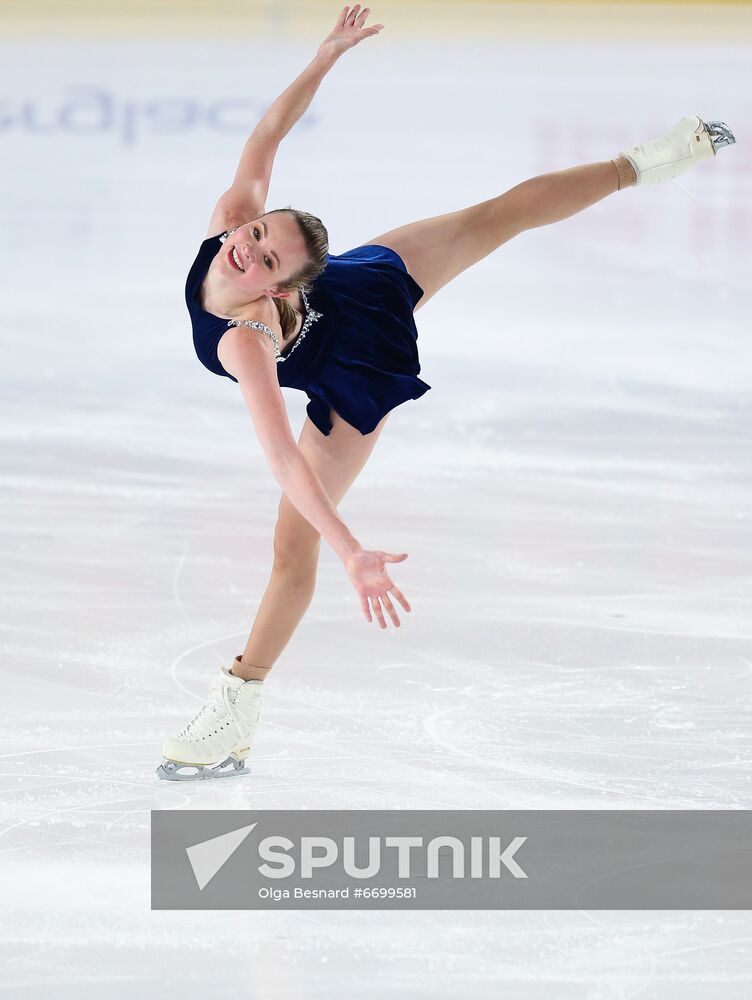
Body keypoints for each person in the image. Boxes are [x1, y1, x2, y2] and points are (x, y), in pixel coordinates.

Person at [156, 4, 735, 779]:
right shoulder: (231, 224)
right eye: (257, 235)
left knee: (295, 546)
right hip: (356, 285)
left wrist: (351, 547)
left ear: (290, 284)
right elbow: (266, 136)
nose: (245, 250)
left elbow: (287, 467)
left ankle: (235, 706)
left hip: (355, 359)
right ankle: (241, 715)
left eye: (265, 258)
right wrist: (326, 56)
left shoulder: (247, 340)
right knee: (492, 220)